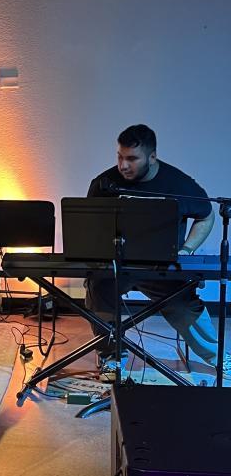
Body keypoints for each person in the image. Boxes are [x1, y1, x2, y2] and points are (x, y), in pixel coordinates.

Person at [86, 124, 225, 378]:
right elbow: (90, 225)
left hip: (163, 269)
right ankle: (110, 356)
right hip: (118, 266)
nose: (123, 165)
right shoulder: (104, 184)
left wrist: (187, 249)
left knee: (184, 305)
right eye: (119, 157)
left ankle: (218, 358)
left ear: (152, 157)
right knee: (98, 289)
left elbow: (206, 216)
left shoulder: (179, 184)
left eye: (132, 158)